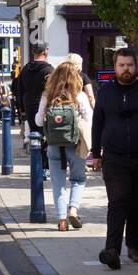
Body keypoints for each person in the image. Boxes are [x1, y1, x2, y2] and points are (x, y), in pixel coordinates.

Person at [90, 47, 138, 270]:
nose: (126, 69)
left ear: (135, 66)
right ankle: (112, 250)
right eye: (121, 66)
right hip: (114, 156)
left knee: (137, 203)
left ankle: (133, 247)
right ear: (115, 68)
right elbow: (97, 122)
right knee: (118, 200)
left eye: (129, 65)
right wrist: (96, 153)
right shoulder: (106, 91)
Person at [36, 61, 91, 231]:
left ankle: (61, 220)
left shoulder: (48, 95)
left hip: (53, 146)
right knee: (78, 179)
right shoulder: (79, 95)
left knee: (58, 184)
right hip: (76, 145)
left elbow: (38, 120)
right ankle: (73, 209)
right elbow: (89, 119)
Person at [14, 42, 54, 169]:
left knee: (35, 136)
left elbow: (19, 90)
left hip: (29, 105)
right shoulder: (49, 70)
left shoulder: (25, 69)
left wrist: (22, 109)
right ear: (45, 52)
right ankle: (45, 167)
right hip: (44, 106)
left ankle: (37, 166)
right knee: (46, 136)